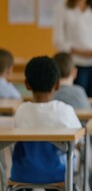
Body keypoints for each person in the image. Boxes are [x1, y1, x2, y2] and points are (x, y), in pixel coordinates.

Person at [10, 56, 81, 184]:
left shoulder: (21, 110)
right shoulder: (65, 110)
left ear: (26, 85)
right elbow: (79, 140)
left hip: (23, 173)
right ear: (58, 84)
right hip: (58, 173)